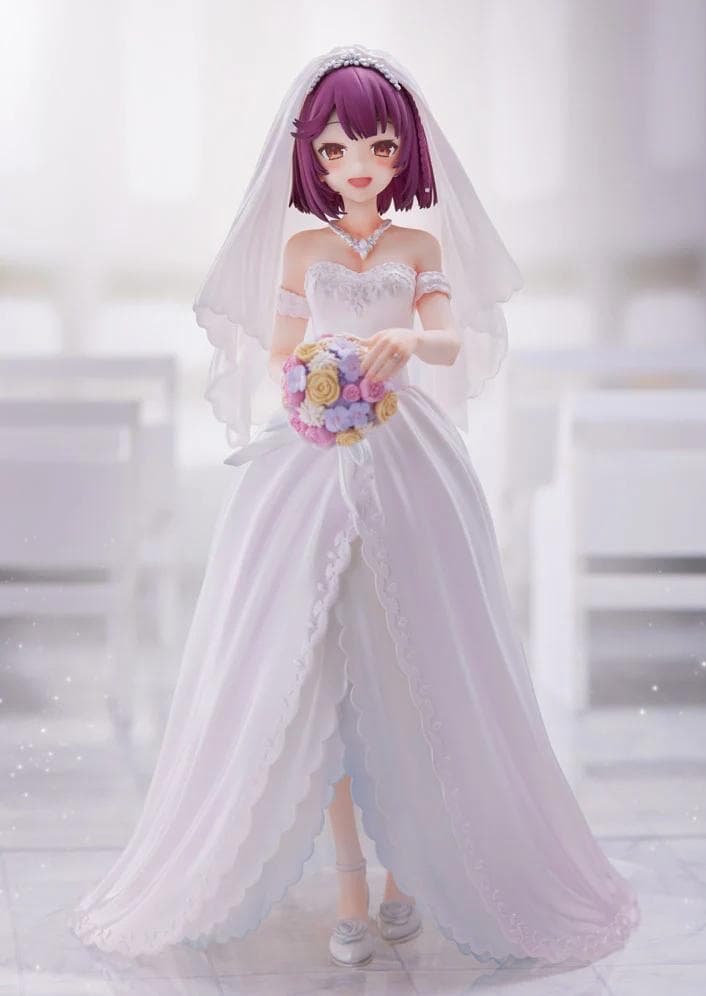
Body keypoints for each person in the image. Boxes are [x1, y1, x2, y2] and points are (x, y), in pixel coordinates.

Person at [68, 43, 640, 971]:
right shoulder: (303, 249)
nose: (357, 165)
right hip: (313, 451)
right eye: (335, 150)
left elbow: (448, 341)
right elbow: (282, 347)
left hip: (407, 450)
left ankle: (408, 877)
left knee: (420, 659)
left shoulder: (419, 248)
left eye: (376, 146)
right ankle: (347, 887)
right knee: (316, 665)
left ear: (401, 151)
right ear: (313, 159)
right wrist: (316, 372)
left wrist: (402, 339)